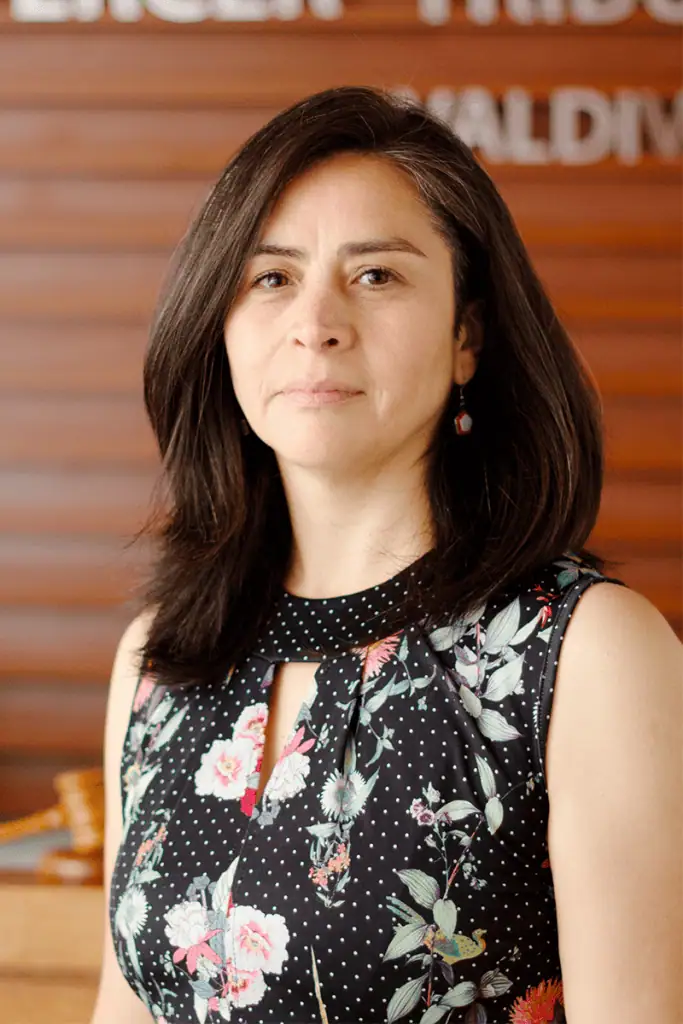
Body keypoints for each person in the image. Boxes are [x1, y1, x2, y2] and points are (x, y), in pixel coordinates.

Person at [90, 86, 682, 1024]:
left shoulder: (589, 656)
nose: (316, 321)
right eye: (270, 277)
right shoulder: (159, 659)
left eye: (375, 275)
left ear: (465, 337)